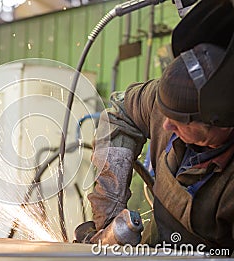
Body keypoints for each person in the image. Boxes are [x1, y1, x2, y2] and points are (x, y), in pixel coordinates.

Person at [87, 42, 234, 254]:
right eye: (166, 115)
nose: (166, 125)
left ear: (219, 123)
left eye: (179, 123)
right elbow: (121, 114)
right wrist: (109, 213)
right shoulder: (173, 97)